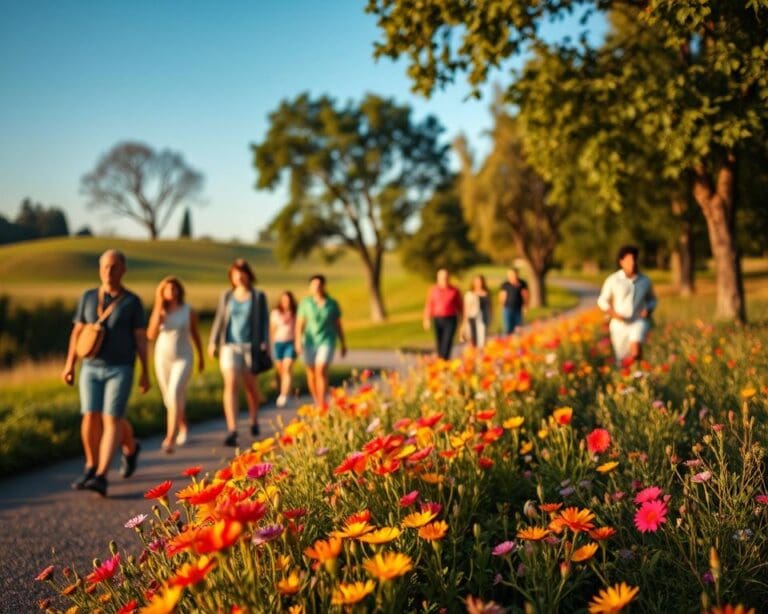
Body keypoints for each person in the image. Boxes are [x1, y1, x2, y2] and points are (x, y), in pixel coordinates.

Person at [62, 249, 148, 497]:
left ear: (123, 270)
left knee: (112, 418)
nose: (108, 271)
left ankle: (101, 476)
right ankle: (94, 464)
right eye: (104, 267)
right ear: (99, 269)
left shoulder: (132, 302)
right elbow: (77, 333)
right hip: (90, 367)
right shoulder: (88, 297)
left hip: (121, 368)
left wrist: (145, 372)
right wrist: (69, 364)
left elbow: (140, 339)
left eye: (114, 267)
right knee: (90, 416)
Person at [208, 259, 270, 447]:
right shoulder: (227, 296)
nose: (239, 276)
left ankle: (253, 419)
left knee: (251, 387)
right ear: (231, 277)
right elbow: (220, 318)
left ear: (248, 275)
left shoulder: (258, 296)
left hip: (251, 347)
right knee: (231, 383)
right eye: (235, 273)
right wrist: (212, 342)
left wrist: (265, 342)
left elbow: (265, 321)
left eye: (242, 272)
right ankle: (232, 429)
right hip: (230, 346)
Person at [147, 276, 204, 453]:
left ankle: (169, 438)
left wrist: (201, 357)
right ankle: (184, 426)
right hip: (162, 358)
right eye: (167, 290)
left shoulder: (188, 311)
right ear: (162, 293)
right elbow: (150, 335)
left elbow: (195, 334)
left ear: (179, 291)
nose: (172, 292)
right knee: (170, 398)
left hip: (183, 357)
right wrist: (159, 315)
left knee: (173, 394)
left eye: (174, 289)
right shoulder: (160, 311)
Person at [597, 245, 657, 365]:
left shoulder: (645, 281)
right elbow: (602, 301)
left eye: (634, 259)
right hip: (619, 324)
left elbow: (652, 300)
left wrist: (648, 309)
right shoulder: (613, 280)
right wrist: (614, 314)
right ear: (621, 262)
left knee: (636, 350)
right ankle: (629, 379)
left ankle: (639, 373)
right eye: (629, 260)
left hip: (638, 321)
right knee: (622, 359)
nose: (633, 263)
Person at [296, 274, 347, 408]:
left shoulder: (332, 304)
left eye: (319, 285)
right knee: (311, 372)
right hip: (309, 341)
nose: (317, 287)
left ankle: (321, 402)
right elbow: (300, 324)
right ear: (310, 287)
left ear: (323, 286)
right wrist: (297, 341)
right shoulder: (305, 303)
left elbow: (338, 324)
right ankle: (316, 399)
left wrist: (343, 343)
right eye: (314, 285)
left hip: (327, 340)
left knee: (321, 370)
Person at [423, 268, 463, 360]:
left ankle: (444, 360)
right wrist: (426, 319)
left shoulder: (454, 290)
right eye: (441, 277)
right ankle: (441, 361)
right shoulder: (433, 290)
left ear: (448, 278)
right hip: (438, 319)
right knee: (440, 342)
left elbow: (460, 306)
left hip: (451, 319)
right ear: (438, 278)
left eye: (445, 277)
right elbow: (429, 305)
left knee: (447, 340)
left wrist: (463, 321)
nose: (444, 279)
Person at [270, 291, 297, 408]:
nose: (287, 303)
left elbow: (299, 329)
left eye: (288, 300)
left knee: (287, 368)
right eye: (284, 300)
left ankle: (283, 395)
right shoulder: (276, 313)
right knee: (281, 370)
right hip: (278, 343)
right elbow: (272, 329)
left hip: (290, 343)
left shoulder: (295, 313)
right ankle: (287, 390)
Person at [462, 274, 491, 349]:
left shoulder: (486, 293)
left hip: (483, 319)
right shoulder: (469, 294)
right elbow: (466, 309)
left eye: (480, 282)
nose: (478, 283)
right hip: (472, 318)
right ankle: (473, 355)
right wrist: (464, 323)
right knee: (473, 338)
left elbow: (489, 307)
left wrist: (490, 317)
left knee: (482, 339)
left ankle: (480, 355)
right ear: (473, 283)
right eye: (477, 282)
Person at [499, 268, 529, 335]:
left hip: (518, 309)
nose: (512, 276)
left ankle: (517, 341)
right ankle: (508, 342)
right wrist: (502, 306)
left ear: (517, 274)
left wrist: (525, 306)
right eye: (510, 274)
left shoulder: (522, 283)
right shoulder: (505, 284)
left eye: (513, 274)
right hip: (508, 308)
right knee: (508, 328)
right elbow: (502, 296)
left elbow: (525, 295)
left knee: (518, 327)